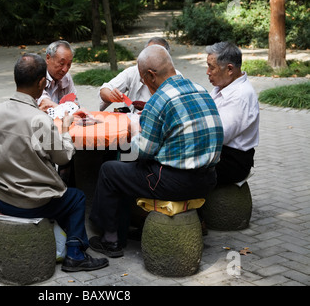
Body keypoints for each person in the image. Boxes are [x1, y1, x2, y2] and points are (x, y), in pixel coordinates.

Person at [88, 45, 224, 257]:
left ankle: (111, 239)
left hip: (177, 183)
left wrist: (131, 136)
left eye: (143, 80)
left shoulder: (159, 100)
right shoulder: (200, 90)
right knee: (126, 169)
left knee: (110, 169)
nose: (144, 84)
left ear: (150, 76)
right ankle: (136, 223)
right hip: (209, 179)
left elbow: (142, 151)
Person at [0, 53, 109, 272]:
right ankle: (75, 254)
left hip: (2, 198)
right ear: (42, 82)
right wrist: (64, 127)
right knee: (77, 197)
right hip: (31, 203)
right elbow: (63, 158)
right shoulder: (39, 120)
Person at [206, 42, 259, 185]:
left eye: (211, 67)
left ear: (229, 69)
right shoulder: (222, 86)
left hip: (232, 162)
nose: (207, 72)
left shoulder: (240, 96)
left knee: (179, 173)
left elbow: (217, 137)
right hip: (219, 153)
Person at [98, 37, 180, 113]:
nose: (150, 59)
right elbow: (105, 89)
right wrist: (111, 96)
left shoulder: (175, 78)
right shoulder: (134, 71)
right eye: (147, 53)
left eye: (156, 56)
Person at [38, 40, 79, 112]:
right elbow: (44, 103)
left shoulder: (66, 77)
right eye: (61, 63)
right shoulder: (37, 75)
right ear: (48, 58)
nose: (65, 69)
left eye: (69, 64)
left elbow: (74, 104)